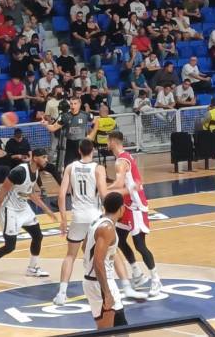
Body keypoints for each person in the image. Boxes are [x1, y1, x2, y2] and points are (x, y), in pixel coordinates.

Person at [53, 139, 147, 306]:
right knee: (113, 252)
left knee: (70, 256)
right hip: (95, 217)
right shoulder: (98, 168)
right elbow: (104, 195)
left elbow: (61, 196)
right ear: (93, 151)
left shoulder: (70, 167)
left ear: (79, 151)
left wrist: (63, 219)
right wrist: (129, 189)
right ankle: (127, 288)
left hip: (78, 217)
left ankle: (61, 294)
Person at [0, 149, 58, 285]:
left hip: (23, 208)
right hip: (10, 210)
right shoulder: (19, 172)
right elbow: (2, 191)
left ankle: (32, 268)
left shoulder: (35, 171)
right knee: (9, 246)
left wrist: (46, 210)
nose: (46, 160)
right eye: (44, 157)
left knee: (38, 236)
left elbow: (30, 193)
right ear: (35, 158)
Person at [107, 131, 162, 296]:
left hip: (136, 206)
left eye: (108, 141)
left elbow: (119, 183)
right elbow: (130, 182)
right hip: (127, 205)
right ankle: (137, 273)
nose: (106, 144)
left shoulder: (121, 161)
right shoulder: (125, 157)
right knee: (118, 239)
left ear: (113, 141)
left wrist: (102, 187)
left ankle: (156, 279)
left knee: (140, 245)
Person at [82, 192, 129, 329]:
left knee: (120, 326)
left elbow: (84, 247)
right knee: (108, 330)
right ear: (121, 208)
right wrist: (107, 293)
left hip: (94, 281)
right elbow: (98, 262)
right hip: (100, 283)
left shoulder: (96, 222)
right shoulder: (107, 228)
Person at [41, 96, 93, 168]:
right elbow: (53, 128)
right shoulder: (65, 116)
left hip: (81, 144)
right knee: (68, 166)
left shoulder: (85, 115)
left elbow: (96, 121)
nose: (73, 106)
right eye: (71, 104)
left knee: (84, 166)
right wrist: (46, 125)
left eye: (75, 103)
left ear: (79, 104)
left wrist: (91, 135)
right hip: (70, 144)